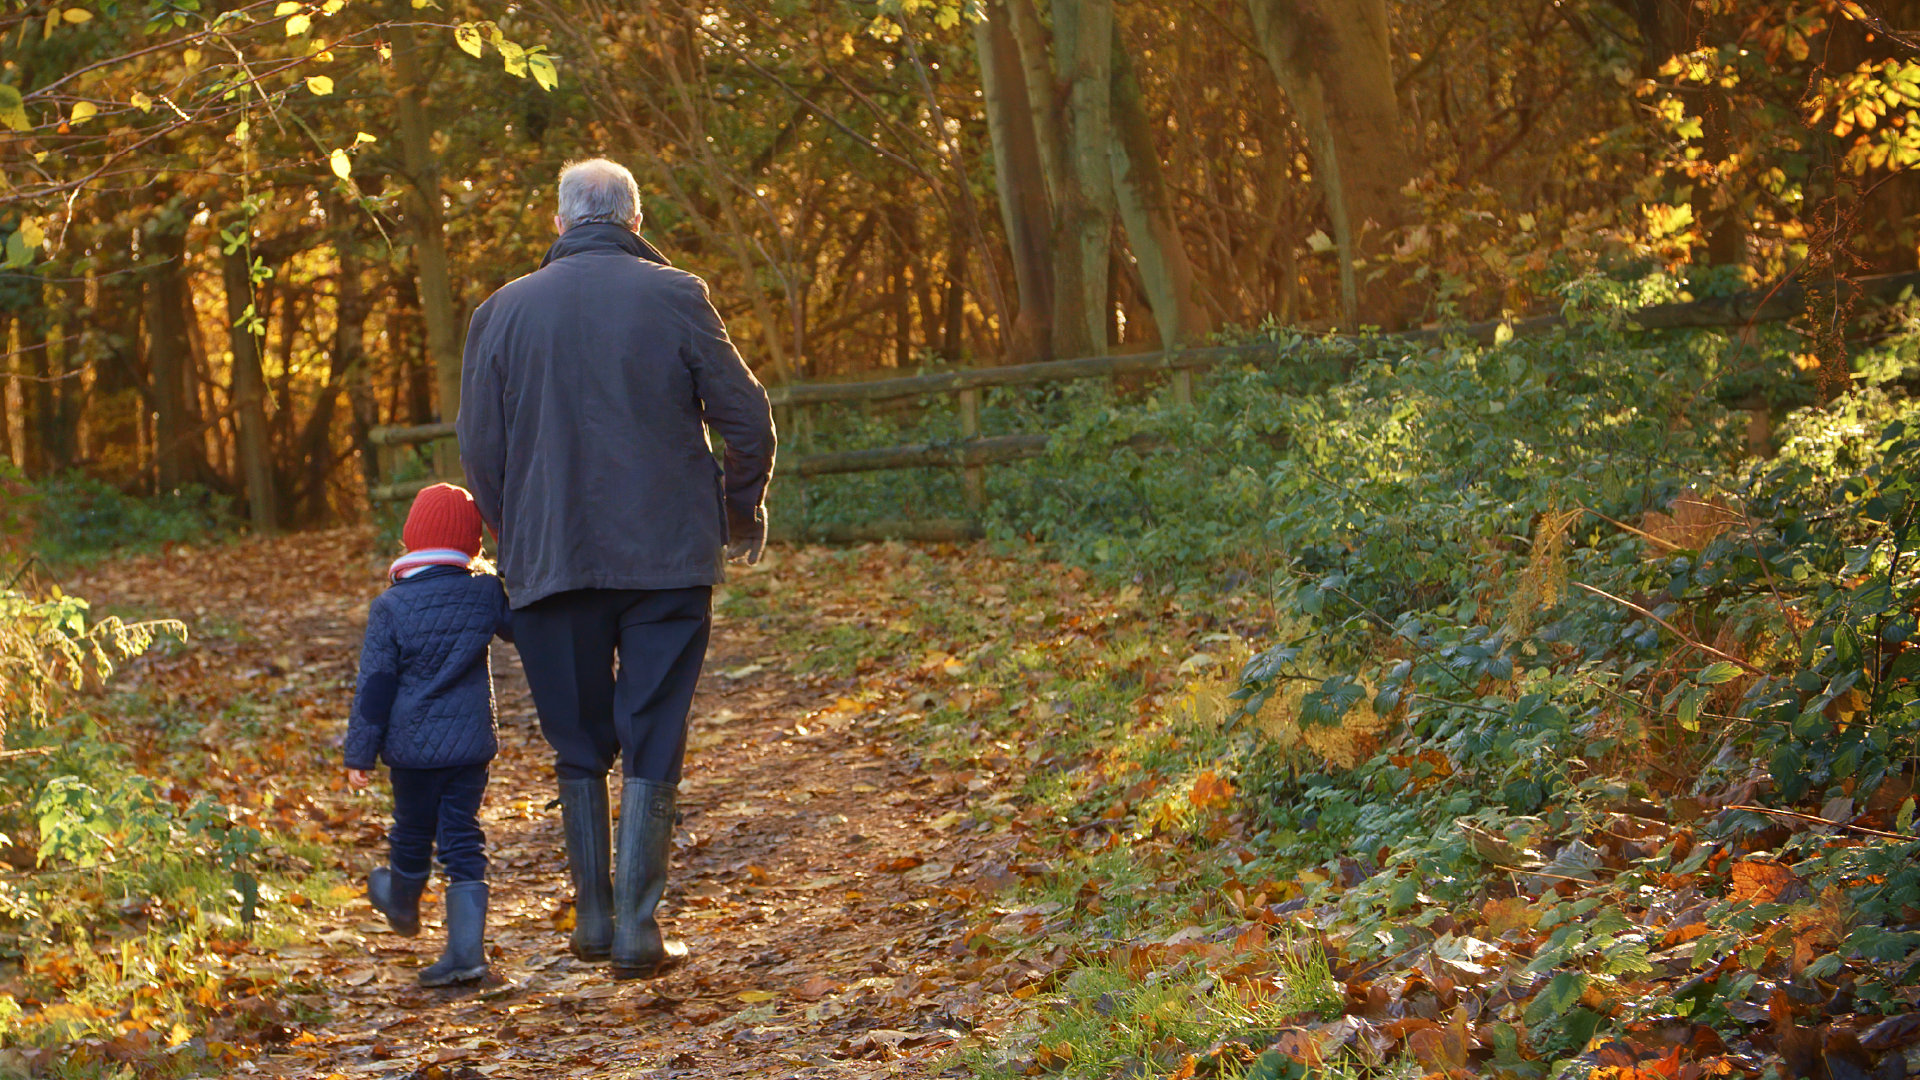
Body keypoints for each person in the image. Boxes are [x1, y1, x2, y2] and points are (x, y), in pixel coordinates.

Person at [457, 158, 776, 980]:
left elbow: (480, 452)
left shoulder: (498, 314)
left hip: (550, 558)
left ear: (559, 225)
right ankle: (638, 925)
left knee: (575, 738)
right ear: (635, 222)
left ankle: (594, 918)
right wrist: (737, 512)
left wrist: (515, 530)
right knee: (653, 727)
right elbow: (749, 420)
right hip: (666, 558)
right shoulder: (677, 294)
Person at [344, 483, 513, 987]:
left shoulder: (391, 606)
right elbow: (526, 630)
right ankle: (467, 954)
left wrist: (360, 753)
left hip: (411, 749)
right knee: (462, 836)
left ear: (411, 539)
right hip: (470, 748)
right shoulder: (485, 593)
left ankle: (401, 904)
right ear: (472, 543)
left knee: (412, 829)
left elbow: (375, 687)